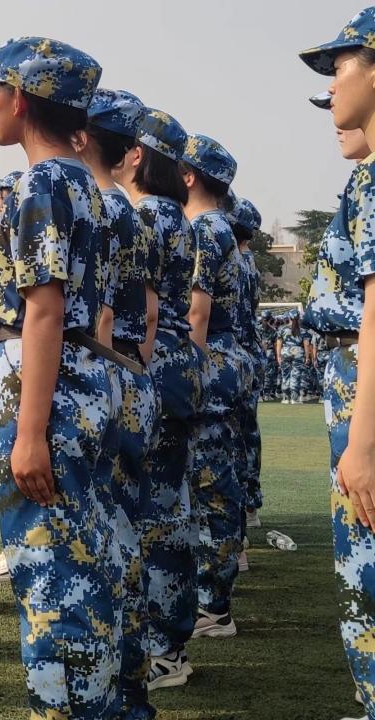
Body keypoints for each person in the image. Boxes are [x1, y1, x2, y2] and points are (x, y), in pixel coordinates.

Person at [0, 37, 121, 718]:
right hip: (78, 380)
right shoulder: (84, 183)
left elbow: (46, 310)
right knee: (84, 564)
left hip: (42, 389)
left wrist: (30, 432)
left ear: (21, 99)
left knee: (53, 580)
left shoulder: (43, 183)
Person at [300, 11, 375, 719]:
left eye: (342, 66)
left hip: (366, 393)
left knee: (370, 572)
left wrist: (363, 442)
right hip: (355, 382)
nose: (332, 87)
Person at [113, 107, 202, 689]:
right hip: (179, 363)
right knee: (170, 506)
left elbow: (143, 310)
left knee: (153, 513)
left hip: (154, 363)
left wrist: (135, 374)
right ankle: (171, 643)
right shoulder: (179, 216)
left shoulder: (146, 215)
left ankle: (162, 647)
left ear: (138, 154)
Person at [81, 87, 158, 720]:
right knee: (126, 535)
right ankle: (131, 683)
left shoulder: (96, 209)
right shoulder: (133, 213)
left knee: (98, 540)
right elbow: (150, 313)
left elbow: (102, 315)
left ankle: (110, 686)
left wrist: (104, 380)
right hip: (134, 374)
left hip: (105, 371)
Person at [181, 133, 249, 643]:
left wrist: (187, 374)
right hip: (224, 361)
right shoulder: (222, 227)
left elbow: (197, 313)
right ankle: (211, 598)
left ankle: (213, 604)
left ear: (188, 177)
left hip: (208, 364)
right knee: (213, 483)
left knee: (210, 487)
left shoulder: (205, 230)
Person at [230, 198, 266, 534]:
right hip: (248, 353)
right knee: (247, 433)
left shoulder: (235, 260)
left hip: (232, 351)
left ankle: (241, 507)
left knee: (233, 436)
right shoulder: (249, 262)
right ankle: (249, 504)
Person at [279, 313, 307, 404]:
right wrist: (307, 356)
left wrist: (278, 356)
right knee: (296, 375)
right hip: (298, 352)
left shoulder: (282, 329)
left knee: (285, 374)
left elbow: (279, 343)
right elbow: (306, 344)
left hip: (285, 351)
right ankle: (294, 398)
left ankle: (286, 398)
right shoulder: (302, 330)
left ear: (289, 318)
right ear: (298, 318)